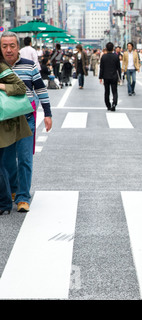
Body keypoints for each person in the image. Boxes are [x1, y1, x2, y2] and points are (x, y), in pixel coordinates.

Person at [1, 31, 52, 213]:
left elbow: (41, 90)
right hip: (4, 122)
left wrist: (47, 113)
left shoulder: (29, 66)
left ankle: (23, 196)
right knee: (7, 162)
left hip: (26, 119)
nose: (8, 50)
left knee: (24, 159)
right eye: (4, 46)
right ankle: (14, 190)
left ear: (18, 47)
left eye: (12, 46)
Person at [0, 51, 32, 215]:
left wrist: (1, 85)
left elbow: (20, 87)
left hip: (3, 121)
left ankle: (5, 202)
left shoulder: (1, 67)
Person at [99, 42, 121, 112]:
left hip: (106, 76)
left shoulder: (103, 57)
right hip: (114, 76)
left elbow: (101, 68)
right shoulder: (116, 56)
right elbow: (118, 68)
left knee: (107, 91)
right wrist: (119, 77)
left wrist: (100, 77)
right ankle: (114, 104)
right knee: (114, 91)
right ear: (113, 48)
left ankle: (108, 105)